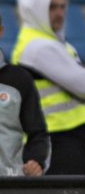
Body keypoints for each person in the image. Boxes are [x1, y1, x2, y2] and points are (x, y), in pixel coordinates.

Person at [12, 0, 85, 175]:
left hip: (63, 136)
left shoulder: (49, 42)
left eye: (62, 6)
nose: (59, 13)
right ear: (36, 10)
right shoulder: (39, 47)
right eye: (51, 7)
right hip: (57, 138)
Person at [0, 13, 50, 176]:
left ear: (0, 32)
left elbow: (38, 134)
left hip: (9, 188)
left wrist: (36, 161)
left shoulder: (19, 80)